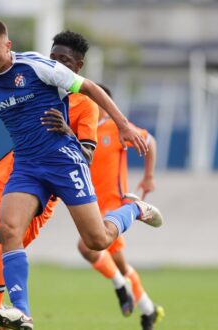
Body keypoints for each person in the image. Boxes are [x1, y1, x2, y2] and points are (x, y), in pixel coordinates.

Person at [0, 14, 162, 330]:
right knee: (8, 230)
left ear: (8, 47)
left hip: (64, 163)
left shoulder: (37, 67)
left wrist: (122, 125)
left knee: (96, 241)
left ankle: (133, 208)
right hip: (26, 167)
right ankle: (22, 314)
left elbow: (91, 89)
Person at [0, 14, 100, 329]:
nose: (57, 65)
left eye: (65, 61)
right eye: (53, 58)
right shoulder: (36, 75)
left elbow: (86, 155)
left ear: (78, 67)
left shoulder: (84, 105)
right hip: (7, 179)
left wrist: (69, 134)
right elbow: (0, 60)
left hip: (43, 187)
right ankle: (3, 312)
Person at [76, 84, 165, 330]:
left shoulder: (116, 128)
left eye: (90, 99)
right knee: (119, 263)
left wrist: (149, 177)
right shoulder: (81, 131)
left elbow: (150, 141)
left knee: (87, 247)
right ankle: (147, 309)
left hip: (115, 206)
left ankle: (121, 287)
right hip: (90, 206)